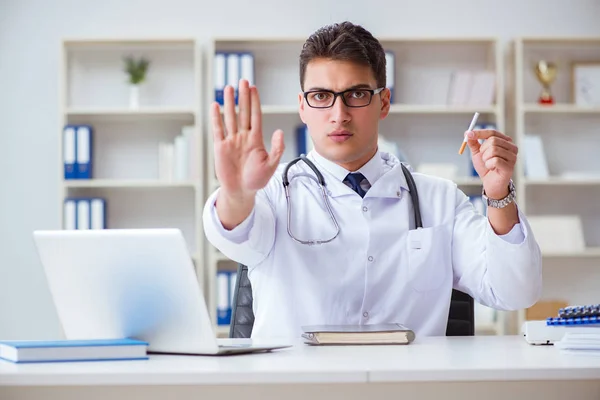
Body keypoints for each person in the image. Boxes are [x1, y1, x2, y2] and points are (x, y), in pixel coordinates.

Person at [203, 21, 542, 339]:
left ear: (383, 102)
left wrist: (499, 195)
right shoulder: (274, 191)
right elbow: (236, 236)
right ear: (303, 107)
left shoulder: (438, 199)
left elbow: (515, 292)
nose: (339, 114)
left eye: (357, 94)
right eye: (321, 96)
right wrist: (237, 192)